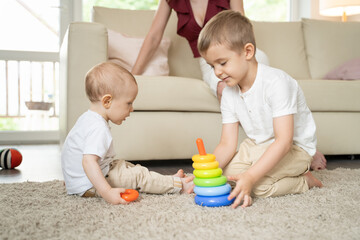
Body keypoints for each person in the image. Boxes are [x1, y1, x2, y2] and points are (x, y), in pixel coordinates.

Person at [131, 0, 326, 171]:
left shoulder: (271, 75)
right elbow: (154, 36)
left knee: (261, 86)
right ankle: (273, 149)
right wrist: (132, 76)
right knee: (226, 88)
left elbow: (241, 24)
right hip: (213, 60)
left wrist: (246, 62)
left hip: (241, 56)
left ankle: (294, 147)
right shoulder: (171, 1)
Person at [197, 10, 323, 209]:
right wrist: (205, 174)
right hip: (257, 145)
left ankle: (304, 180)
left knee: (257, 186)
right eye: (212, 66)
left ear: (248, 52)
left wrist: (250, 176)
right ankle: (264, 173)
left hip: (294, 148)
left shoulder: (277, 83)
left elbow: (284, 141)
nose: (217, 72)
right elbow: (226, 144)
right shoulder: (229, 91)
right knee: (228, 177)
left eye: (222, 63)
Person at [61, 62, 193, 205]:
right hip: (90, 184)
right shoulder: (98, 127)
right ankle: (178, 186)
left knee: (126, 166)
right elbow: (88, 162)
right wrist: (107, 192)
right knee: (138, 175)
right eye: (128, 103)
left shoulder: (87, 119)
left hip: (84, 180)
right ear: (107, 101)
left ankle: (166, 181)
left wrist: (72, 180)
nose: (131, 109)